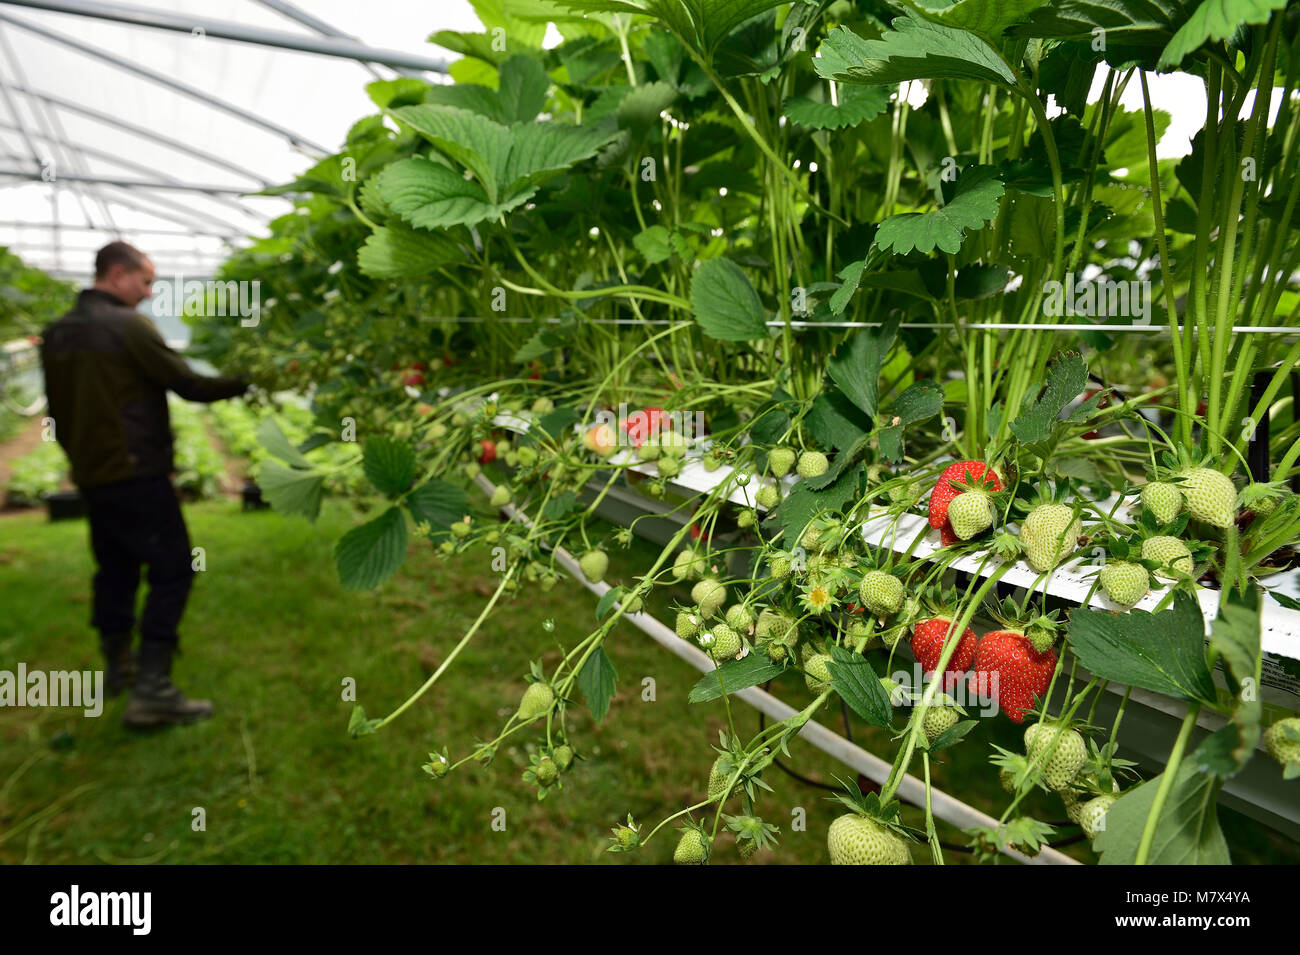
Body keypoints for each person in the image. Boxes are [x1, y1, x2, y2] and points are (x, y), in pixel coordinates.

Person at [39, 241, 249, 728]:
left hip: (93, 474)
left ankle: (119, 667)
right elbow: (188, 384)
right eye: (145, 281)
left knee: (114, 568)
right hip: (136, 472)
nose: (150, 294)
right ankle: (154, 689)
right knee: (173, 569)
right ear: (116, 275)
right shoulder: (126, 326)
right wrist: (248, 379)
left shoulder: (57, 333)